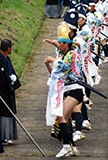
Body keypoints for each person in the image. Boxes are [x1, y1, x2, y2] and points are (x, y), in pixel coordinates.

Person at [45, 23, 85, 158]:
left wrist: (52, 60)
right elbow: (55, 74)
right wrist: (47, 64)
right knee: (64, 118)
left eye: (61, 43)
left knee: (61, 116)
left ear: (67, 44)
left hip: (75, 89)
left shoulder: (72, 54)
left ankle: (66, 146)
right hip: (67, 89)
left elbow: (63, 68)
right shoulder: (64, 54)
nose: (59, 45)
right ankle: (72, 146)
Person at [0, 39, 20, 145]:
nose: (11, 49)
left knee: (10, 112)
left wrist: (13, 79)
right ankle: (3, 137)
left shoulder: (7, 59)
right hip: (2, 92)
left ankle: (8, 135)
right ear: (8, 48)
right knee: (3, 113)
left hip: (8, 90)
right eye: (11, 47)